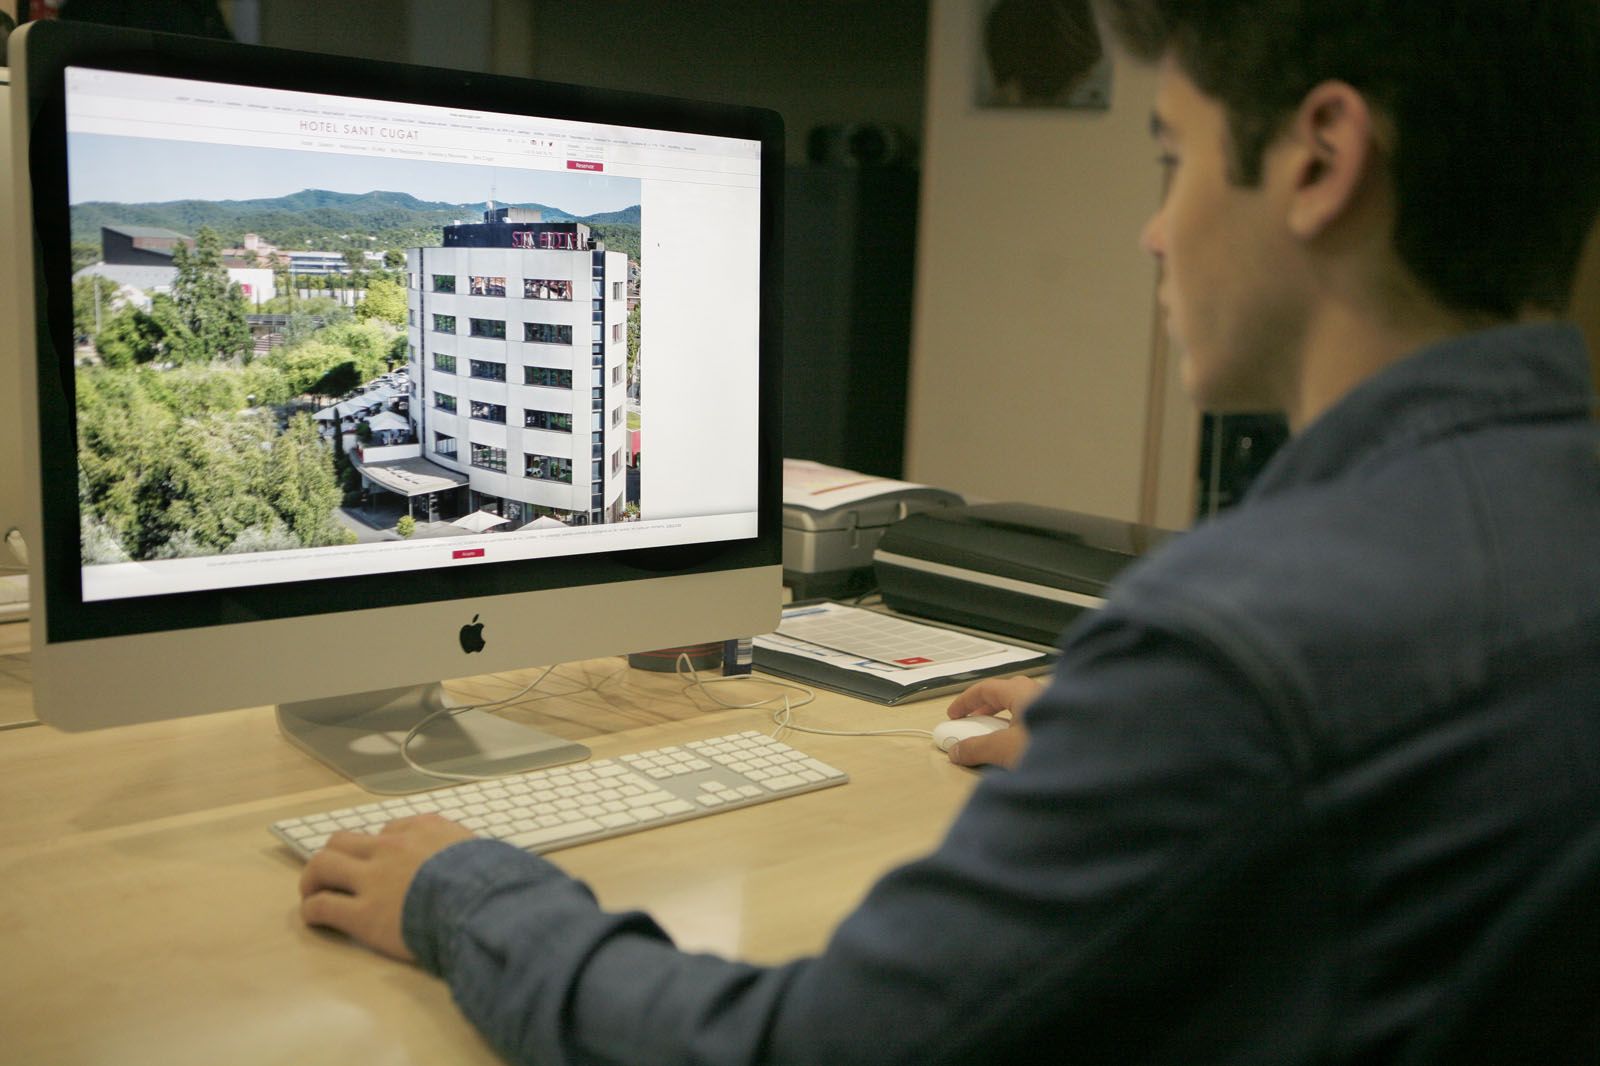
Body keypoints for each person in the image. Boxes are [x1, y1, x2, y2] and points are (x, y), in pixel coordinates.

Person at [299, 2, 1600, 1061]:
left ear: (1321, 159)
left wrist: (469, 893)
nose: (1156, 229)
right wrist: (1140, 740)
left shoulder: (1244, 651)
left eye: (1172, 160)